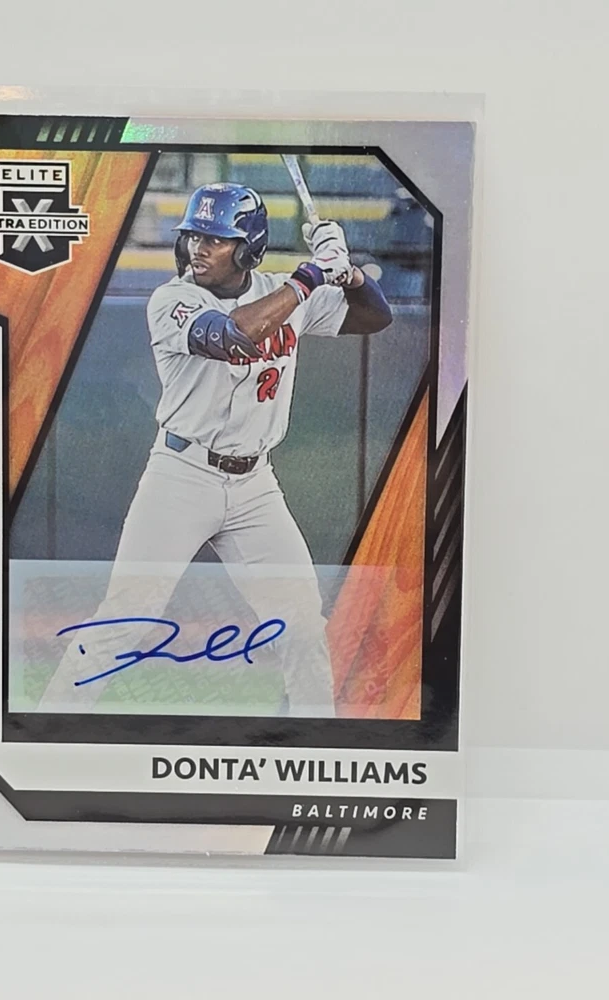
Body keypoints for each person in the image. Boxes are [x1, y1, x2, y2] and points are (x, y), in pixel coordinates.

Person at [39, 182, 392, 717]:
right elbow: (233, 336)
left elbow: (375, 317)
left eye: (216, 239)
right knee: (127, 619)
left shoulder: (282, 293)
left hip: (255, 486)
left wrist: (349, 273)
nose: (198, 249)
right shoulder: (173, 299)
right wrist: (311, 275)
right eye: (194, 236)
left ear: (248, 249)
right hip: (181, 476)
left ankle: (319, 741)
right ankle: (50, 725)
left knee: (301, 623)